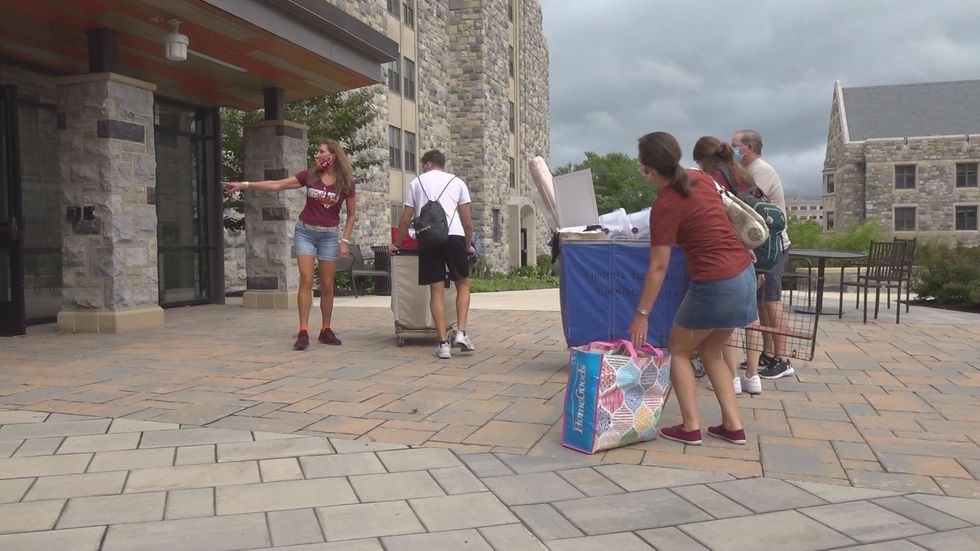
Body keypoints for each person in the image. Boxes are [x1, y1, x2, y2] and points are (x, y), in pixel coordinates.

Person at [630, 132, 758, 446]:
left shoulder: (665, 205)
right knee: (712, 350)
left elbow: (658, 267)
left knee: (679, 350)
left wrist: (641, 315)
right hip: (744, 274)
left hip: (716, 282)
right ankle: (733, 425)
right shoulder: (700, 178)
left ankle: (690, 427)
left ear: (647, 170)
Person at [224, 138, 356, 350]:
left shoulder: (346, 182)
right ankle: (303, 331)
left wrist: (345, 241)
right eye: (317, 152)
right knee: (305, 279)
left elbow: (351, 215)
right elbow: (278, 184)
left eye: (321, 152)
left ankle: (325, 329)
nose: (317, 155)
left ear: (333, 156)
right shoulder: (310, 176)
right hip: (305, 232)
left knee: (328, 285)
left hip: (329, 236)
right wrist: (245, 184)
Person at [691, 135, 763, 396]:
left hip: (734, 251)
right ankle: (753, 376)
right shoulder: (744, 175)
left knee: (727, 318)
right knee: (750, 316)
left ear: (701, 160)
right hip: (759, 246)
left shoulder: (714, 180)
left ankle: (730, 376)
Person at [389, 150, 476, 359]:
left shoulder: (417, 183)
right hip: (454, 235)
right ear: (441, 164)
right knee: (462, 284)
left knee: (436, 291)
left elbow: (405, 219)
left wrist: (396, 244)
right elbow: (467, 221)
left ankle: (443, 344)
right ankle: (461, 332)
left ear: (427, 164)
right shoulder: (457, 182)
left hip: (429, 239)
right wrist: (468, 244)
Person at [732, 129, 794, 380]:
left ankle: (782, 358)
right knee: (761, 303)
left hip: (774, 247)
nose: (732, 149)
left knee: (771, 301)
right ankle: (768, 354)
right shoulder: (750, 171)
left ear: (748, 147)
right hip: (762, 247)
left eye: (735, 145)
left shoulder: (761, 171)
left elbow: (746, 203)